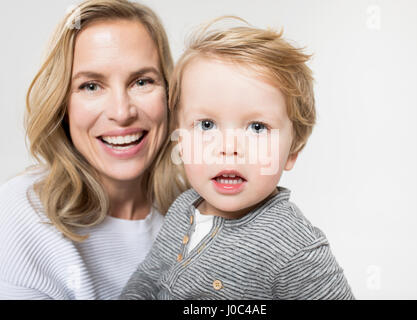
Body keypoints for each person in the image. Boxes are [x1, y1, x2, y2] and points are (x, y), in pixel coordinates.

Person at [120, 17, 355, 300]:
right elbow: (148, 278)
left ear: (292, 150)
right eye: (206, 125)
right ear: (180, 140)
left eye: (257, 127)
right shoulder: (184, 208)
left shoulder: (294, 247)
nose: (229, 148)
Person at [0, 0, 187, 299]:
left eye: (142, 81)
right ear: (63, 105)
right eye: (91, 86)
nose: (122, 112)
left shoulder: (202, 216)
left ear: (169, 95)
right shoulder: (20, 215)